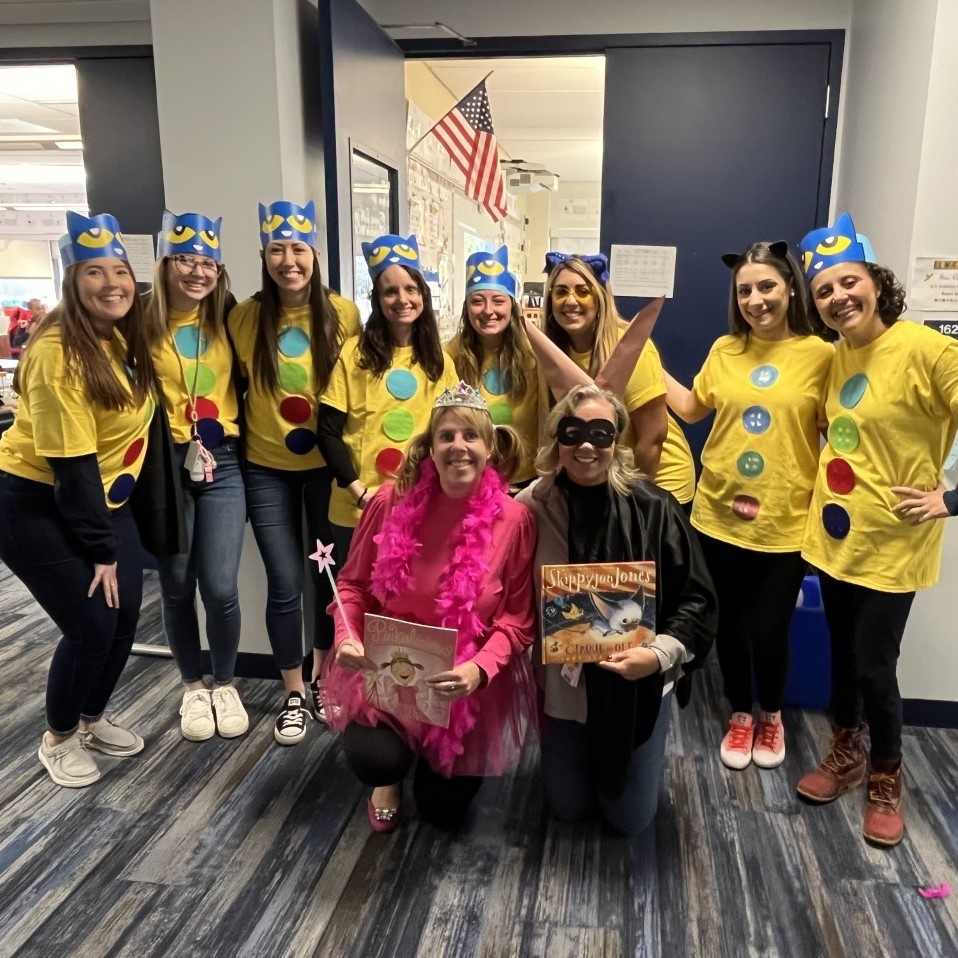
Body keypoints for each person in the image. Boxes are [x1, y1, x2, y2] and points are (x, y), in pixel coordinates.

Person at [794, 212, 958, 847]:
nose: (839, 297)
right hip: (836, 541)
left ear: (875, 281)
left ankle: (886, 773)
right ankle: (846, 751)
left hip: (892, 544)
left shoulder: (927, 350)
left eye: (848, 281)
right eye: (825, 291)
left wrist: (950, 496)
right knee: (841, 658)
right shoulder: (837, 357)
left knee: (873, 665)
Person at [323, 382, 537, 831]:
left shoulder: (513, 520)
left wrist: (479, 669)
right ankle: (390, 775)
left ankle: (429, 758)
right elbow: (354, 585)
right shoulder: (389, 502)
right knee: (374, 761)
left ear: (489, 446)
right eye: (447, 437)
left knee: (443, 812)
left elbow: (517, 620)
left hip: (463, 684)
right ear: (431, 447)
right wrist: (347, 635)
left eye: (470, 436)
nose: (458, 447)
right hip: (390, 673)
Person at [663, 241, 835, 771]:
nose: (756, 299)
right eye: (745, 291)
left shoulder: (823, 355)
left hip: (784, 521)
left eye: (766, 286)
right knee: (729, 626)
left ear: (789, 288)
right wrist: (644, 359)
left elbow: (838, 433)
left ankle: (772, 714)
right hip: (716, 514)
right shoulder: (724, 350)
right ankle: (741, 715)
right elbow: (692, 409)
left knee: (769, 628)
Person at [516, 384, 716, 834]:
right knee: (566, 808)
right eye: (573, 432)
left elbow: (698, 599)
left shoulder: (655, 508)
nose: (585, 445)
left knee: (629, 820)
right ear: (557, 439)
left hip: (636, 690)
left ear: (618, 442)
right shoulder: (532, 506)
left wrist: (659, 654)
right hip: (564, 691)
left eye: (600, 433)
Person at [0, 211, 155, 787]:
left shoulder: (117, 337)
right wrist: (101, 548)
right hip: (35, 500)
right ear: (72, 280)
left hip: (102, 501)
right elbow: (72, 465)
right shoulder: (58, 352)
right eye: (95, 272)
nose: (112, 283)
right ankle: (58, 736)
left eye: (119, 270)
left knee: (125, 619)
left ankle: (91, 718)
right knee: (91, 623)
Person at [228, 200, 360, 744]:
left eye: (298, 250)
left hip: (326, 475)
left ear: (315, 256)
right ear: (264, 255)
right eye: (278, 250)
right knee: (284, 584)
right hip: (266, 474)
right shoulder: (243, 318)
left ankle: (328, 679)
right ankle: (293, 693)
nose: (289, 261)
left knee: (327, 581)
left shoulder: (344, 315)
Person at [144, 210, 248, 742]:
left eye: (206, 262)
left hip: (222, 460)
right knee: (177, 585)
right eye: (185, 259)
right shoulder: (139, 321)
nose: (196, 272)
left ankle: (225, 681)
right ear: (165, 264)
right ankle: (191, 686)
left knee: (222, 586)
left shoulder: (229, 318)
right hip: (166, 465)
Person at [316, 233, 457, 562]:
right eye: (390, 291)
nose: (402, 299)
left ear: (423, 293)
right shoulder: (355, 353)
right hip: (356, 511)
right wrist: (360, 494)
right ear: (377, 299)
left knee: (406, 609)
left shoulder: (440, 361)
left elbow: (450, 433)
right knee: (353, 606)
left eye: (410, 289)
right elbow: (328, 432)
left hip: (419, 509)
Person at [542, 252, 697, 509]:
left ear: (600, 299)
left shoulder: (630, 347)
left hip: (657, 481)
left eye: (582, 291)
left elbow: (653, 437)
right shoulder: (556, 352)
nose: (570, 301)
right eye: (561, 292)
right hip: (607, 477)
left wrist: (633, 502)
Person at [445, 246, 545, 486]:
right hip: (473, 479)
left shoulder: (534, 353)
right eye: (477, 301)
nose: (488, 311)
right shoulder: (451, 355)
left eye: (498, 301)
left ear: (512, 306)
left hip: (526, 480)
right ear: (466, 308)